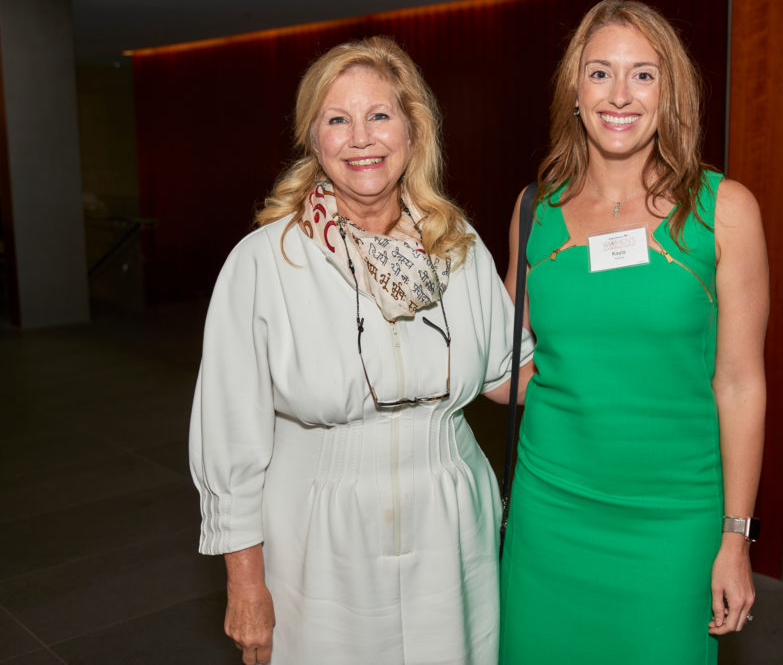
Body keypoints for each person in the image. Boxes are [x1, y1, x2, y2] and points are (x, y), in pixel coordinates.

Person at [189, 36, 532, 665]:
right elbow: (229, 436)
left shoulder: (457, 248)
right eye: (337, 120)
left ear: (411, 129)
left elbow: (508, 375)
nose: (361, 138)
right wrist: (244, 583)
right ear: (313, 140)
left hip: (451, 518)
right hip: (319, 528)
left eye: (379, 115)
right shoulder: (266, 261)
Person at [499, 0, 768, 664]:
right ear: (574, 88)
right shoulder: (536, 209)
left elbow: (739, 385)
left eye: (643, 75)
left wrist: (736, 537)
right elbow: (504, 364)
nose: (620, 95)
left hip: (673, 523)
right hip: (550, 513)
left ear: (668, 91)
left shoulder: (723, 210)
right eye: (600, 73)